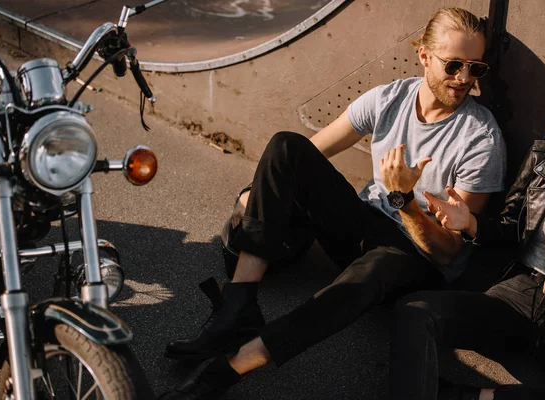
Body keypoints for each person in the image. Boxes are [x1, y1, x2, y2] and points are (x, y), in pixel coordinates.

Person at [160, 7, 506, 399]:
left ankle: (229, 369)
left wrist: (405, 200)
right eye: (454, 65)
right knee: (285, 145)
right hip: (364, 225)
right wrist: (257, 194)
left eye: (475, 69)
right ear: (424, 56)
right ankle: (237, 308)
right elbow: (304, 155)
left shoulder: (480, 140)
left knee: (362, 280)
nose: (463, 80)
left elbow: (448, 254)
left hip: (414, 258)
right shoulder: (390, 98)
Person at [388, 71, 545, 400]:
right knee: (416, 311)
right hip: (524, 291)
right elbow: (511, 226)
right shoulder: (544, 157)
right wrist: (470, 223)